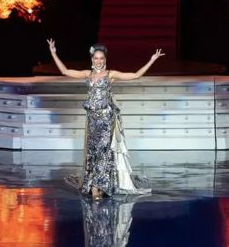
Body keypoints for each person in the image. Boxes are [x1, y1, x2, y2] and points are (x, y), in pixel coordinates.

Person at [47, 39, 163, 199]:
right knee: (93, 152)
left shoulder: (110, 74)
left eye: (101, 58)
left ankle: (97, 186)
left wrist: (152, 59)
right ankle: (101, 184)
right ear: (92, 59)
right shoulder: (88, 74)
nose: (99, 61)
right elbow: (65, 71)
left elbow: (136, 75)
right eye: (96, 58)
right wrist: (53, 52)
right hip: (92, 120)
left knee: (103, 152)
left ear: (105, 59)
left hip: (106, 119)